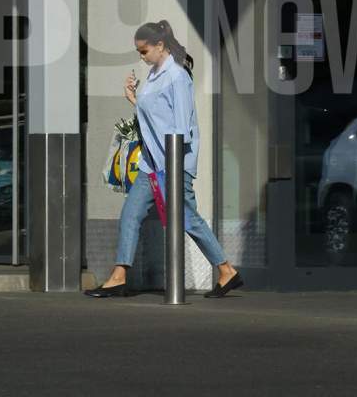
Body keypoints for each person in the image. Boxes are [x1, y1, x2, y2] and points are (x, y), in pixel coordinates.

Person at [86, 20, 243, 299]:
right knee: (130, 215)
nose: (141, 57)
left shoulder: (177, 77)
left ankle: (226, 269)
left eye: (144, 51)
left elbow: (180, 127)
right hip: (151, 164)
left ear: (160, 46)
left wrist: (172, 169)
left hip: (173, 164)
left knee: (189, 220)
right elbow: (157, 116)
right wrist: (134, 99)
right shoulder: (156, 73)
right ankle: (119, 275)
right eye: (138, 52)